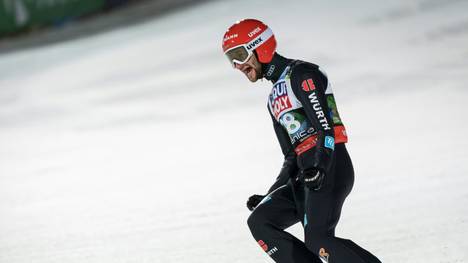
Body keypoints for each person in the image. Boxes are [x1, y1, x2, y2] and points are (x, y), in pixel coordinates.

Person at [221, 19, 383, 263]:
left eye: (240, 54)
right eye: (230, 59)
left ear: (261, 46)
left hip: (330, 164)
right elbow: (290, 157)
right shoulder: (273, 99)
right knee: (261, 221)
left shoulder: (303, 74)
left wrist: (320, 166)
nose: (237, 65)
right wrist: (269, 194)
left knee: (318, 239)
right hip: (306, 172)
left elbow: (325, 130)